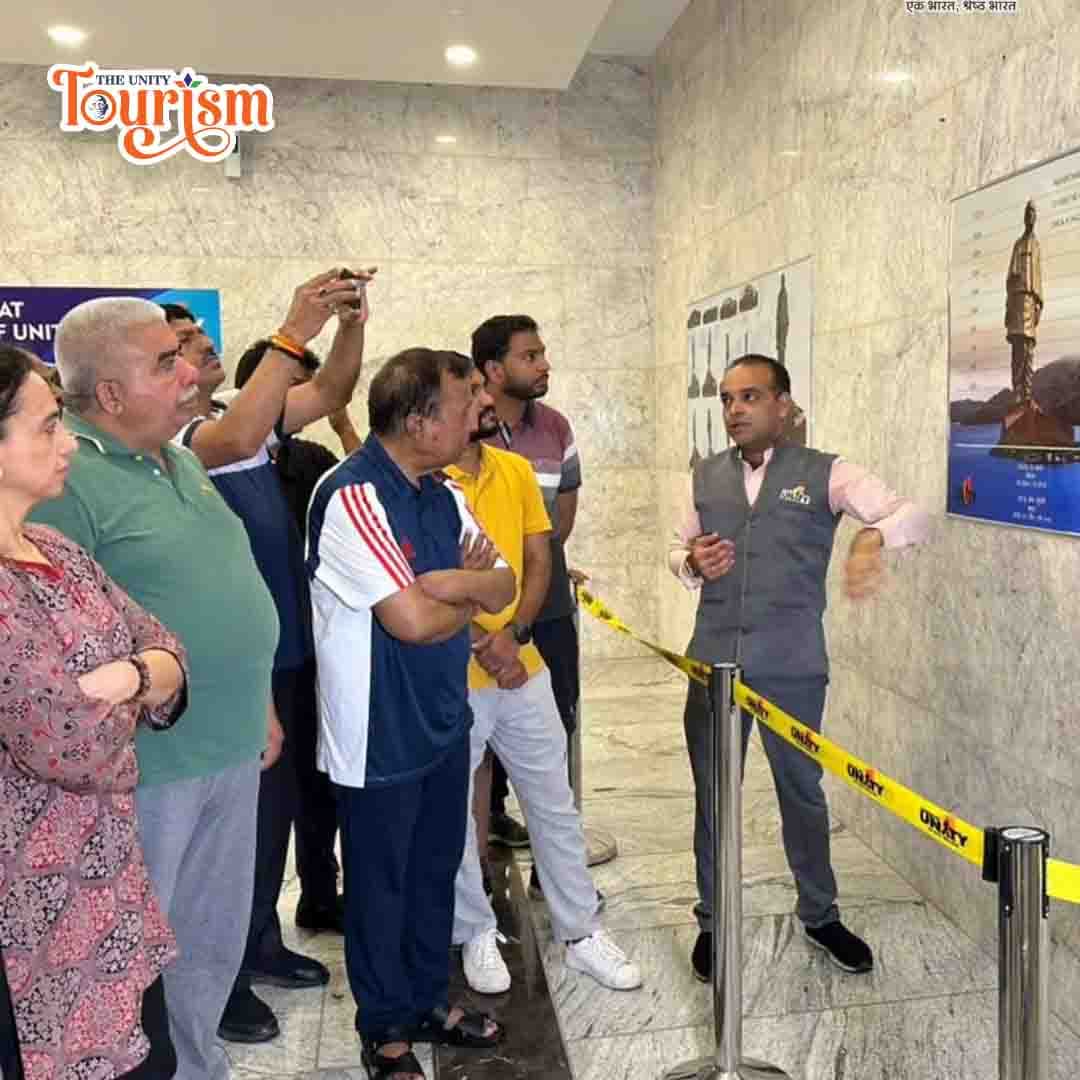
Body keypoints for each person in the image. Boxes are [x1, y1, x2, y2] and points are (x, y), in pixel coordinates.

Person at [27, 290, 338, 1080]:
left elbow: (225, 591)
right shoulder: (69, 486)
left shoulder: (184, 459)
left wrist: (259, 702)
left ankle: (201, 1068)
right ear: (109, 394)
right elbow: (63, 648)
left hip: (230, 745)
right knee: (132, 964)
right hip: (148, 772)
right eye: (165, 362)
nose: (189, 373)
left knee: (209, 941)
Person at [668, 354, 930, 981]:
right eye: (728, 399)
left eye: (751, 397)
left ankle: (820, 914)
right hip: (713, 666)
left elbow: (909, 514)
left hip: (791, 665)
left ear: (783, 404)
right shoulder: (703, 476)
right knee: (714, 795)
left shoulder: (827, 473)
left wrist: (872, 538)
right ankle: (713, 919)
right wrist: (690, 563)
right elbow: (676, 552)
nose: (735, 410)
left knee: (801, 793)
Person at [163, 271, 373, 1043]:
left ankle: (259, 942)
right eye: (183, 343)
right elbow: (243, 438)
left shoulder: (232, 416)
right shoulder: (188, 441)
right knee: (234, 831)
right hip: (236, 668)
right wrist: (295, 325)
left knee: (272, 819)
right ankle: (218, 982)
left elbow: (335, 389)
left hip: (283, 650)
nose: (202, 345)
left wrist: (348, 322)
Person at [307, 348, 515, 1080]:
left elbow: (504, 583)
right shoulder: (351, 494)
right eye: (464, 408)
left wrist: (452, 583)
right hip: (377, 734)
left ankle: (428, 998)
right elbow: (411, 622)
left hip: (442, 719)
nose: (476, 418)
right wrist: (464, 596)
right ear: (422, 421)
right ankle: (386, 1028)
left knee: (433, 873)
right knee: (380, 886)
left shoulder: (444, 492)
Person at [0, 346, 189, 1079]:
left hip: (110, 892)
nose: (69, 442)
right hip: (33, 919)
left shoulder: (55, 549)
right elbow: (66, 744)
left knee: (149, 1060)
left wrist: (123, 677)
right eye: (48, 426)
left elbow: (168, 648)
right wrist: (139, 681)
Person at [445, 400, 642, 995]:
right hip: (456, 672)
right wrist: (485, 640)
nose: (482, 401)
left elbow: (539, 560)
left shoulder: (514, 470)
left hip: (522, 666)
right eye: (469, 390)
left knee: (554, 802)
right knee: (456, 812)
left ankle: (580, 932)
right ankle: (474, 930)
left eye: (482, 387)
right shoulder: (424, 482)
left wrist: (516, 634)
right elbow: (417, 583)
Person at [231, 338, 361, 937]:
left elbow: (365, 496)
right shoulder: (218, 461)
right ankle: (255, 930)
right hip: (256, 660)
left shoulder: (307, 459)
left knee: (317, 783)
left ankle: (318, 891)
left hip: (311, 646)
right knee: (265, 801)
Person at [470, 316, 582, 886]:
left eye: (542, 353)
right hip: (473, 616)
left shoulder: (555, 428)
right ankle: (481, 849)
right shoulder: (466, 430)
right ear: (493, 369)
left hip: (547, 602)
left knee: (553, 726)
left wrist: (529, 596)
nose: (543, 364)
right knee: (476, 745)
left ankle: (555, 871)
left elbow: (561, 512)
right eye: (529, 355)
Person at [1005, 200, 1043, 405]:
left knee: (1029, 347)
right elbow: (1010, 276)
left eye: (1033, 213)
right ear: (1024, 217)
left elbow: (1038, 275)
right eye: (1028, 213)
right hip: (1017, 300)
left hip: (1030, 299)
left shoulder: (1036, 245)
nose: (1030, 216)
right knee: (1018, 347)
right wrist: (1008, 306)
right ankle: (1017, 391)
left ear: (1036, 218)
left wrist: (1038, 304)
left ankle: (1027, 392)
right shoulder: (1018, 245)